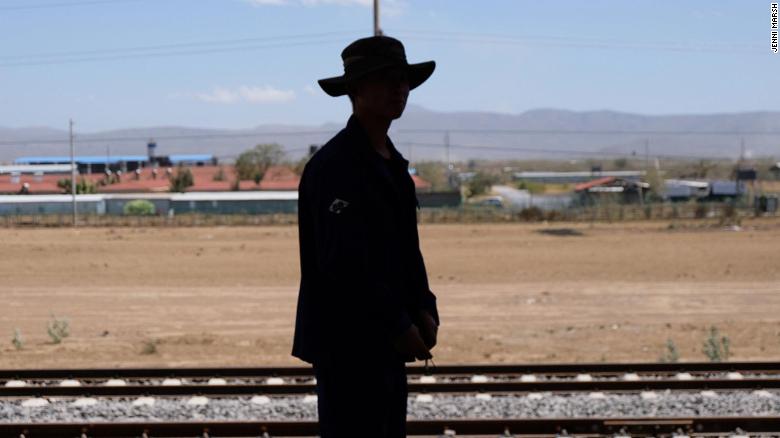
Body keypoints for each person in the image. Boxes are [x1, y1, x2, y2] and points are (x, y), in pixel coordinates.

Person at [292, 35, 440, 438]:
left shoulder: (393, 165)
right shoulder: (335, 167)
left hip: (388, 343)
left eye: (404, 80)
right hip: (348, 344)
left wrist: (425, 306)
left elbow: (407, 252)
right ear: (355, 90)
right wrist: (399, 323)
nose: (399, 89)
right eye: (386, 78)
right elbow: (343, 262)